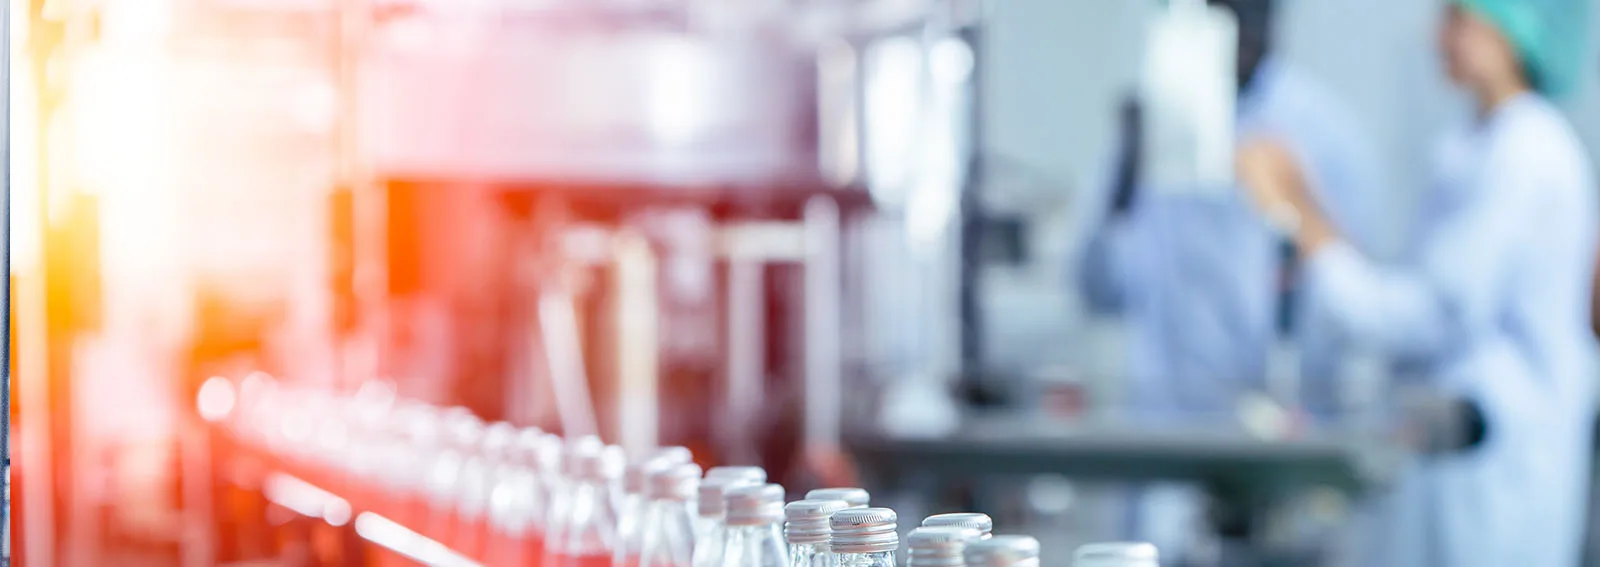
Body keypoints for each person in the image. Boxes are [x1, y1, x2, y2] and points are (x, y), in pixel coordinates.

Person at [1235, 0, 1596, 564]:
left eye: (1458, 19)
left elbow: (1431, 317)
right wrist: (1309, 213)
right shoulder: (1477, 145)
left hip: (1492, 474)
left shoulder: (1526, 153)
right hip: (1455, 471)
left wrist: (1298, 209)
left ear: (1514, 29)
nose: (1439, 38)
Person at [1075, 0, 1382, 557]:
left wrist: (1295, 208)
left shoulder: (1318, 130)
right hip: (1160, 447)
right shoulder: (1157, 118)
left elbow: (1356, 306)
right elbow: (1098, 289)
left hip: (1273, 456)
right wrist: (1124, 184)